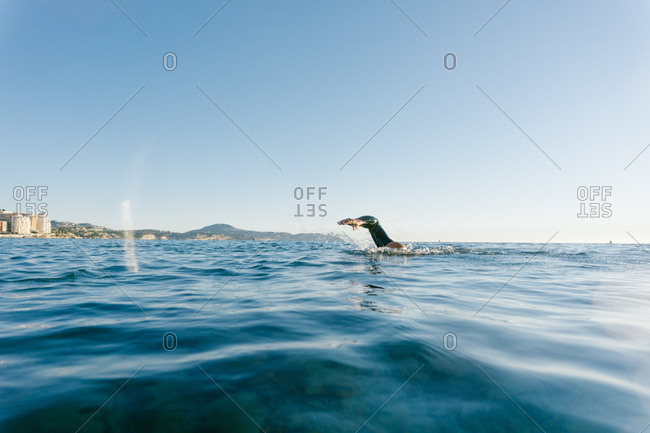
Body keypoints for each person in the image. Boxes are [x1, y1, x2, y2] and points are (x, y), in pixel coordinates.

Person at [338, 216, 405, 249]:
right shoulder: (375, 226)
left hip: (395, 247)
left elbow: (374, 223)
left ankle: (357, 221)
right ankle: (357, 221)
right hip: (394, 246)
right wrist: (355, 221)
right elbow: (374, 222)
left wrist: (355, 221)